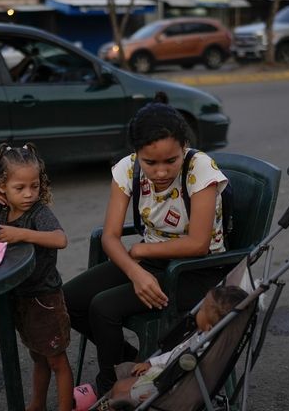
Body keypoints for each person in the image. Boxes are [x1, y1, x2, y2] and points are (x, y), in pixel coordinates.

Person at [63, 91, 230, 395]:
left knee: (103, 308)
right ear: (137, 154)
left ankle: (113, 389)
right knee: (68, 300)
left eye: (171, 160)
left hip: (197, 269)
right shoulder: (128, 169)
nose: (161, 171)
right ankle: (132, 363)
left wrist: (140, 251)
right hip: (150, 264)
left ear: (185, 148)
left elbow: (199, 244)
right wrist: (135, 271)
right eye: (150, 162)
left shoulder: (199, 169)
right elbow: (110, 236)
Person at [0, 143, 72, 411]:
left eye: (34, 186)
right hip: (17, 296)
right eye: (20, 188)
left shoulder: (38, 213)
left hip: (44, 298)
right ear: (2, 187)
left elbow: (60, 239)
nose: (29, 194)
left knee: (56, 360)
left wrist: (22, 234)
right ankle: (36, 405)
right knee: (38, 356)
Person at [92, 285, 248, 410]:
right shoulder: (203, 337)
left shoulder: (202, 350)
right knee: (121, 384)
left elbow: (184, 380)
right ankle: (103, 405)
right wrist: (151, 364)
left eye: (202, 310)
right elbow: (175, 354)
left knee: (120, 390)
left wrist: (159, 395)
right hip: (166, 376)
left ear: (209, 326)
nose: (198, 310)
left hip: (169, 391)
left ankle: (105, 406)